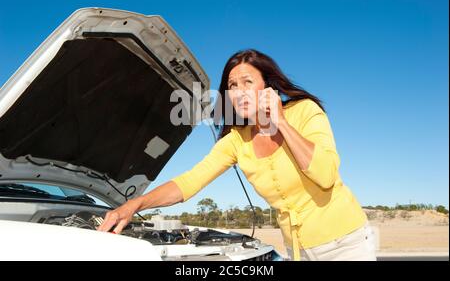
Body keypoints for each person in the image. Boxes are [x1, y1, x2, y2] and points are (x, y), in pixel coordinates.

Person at [98, 49, 377, 261]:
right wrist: (134, 205)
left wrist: (281, 122)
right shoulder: (235, 141)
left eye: (247, 82)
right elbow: (189, 182)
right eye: (232, 86)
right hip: (298, 250)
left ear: (269, 87)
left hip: (346, 243)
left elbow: (325, 175)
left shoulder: (304, 111)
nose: (239, 92)